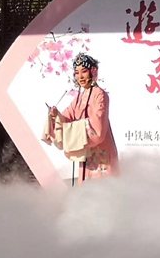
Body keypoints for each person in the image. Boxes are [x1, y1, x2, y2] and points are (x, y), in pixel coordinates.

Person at [47, 53, 119, 184]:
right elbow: (67, 117)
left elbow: (98, 125)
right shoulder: (79, 98)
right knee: (87, 186)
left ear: (93, 71)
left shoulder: (100, 95)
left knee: (104, 187)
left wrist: (78, 127)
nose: (80, 76)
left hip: (102, 150)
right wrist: (55, 115)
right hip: (86, 151)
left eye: (84, 71)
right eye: (76, 73)